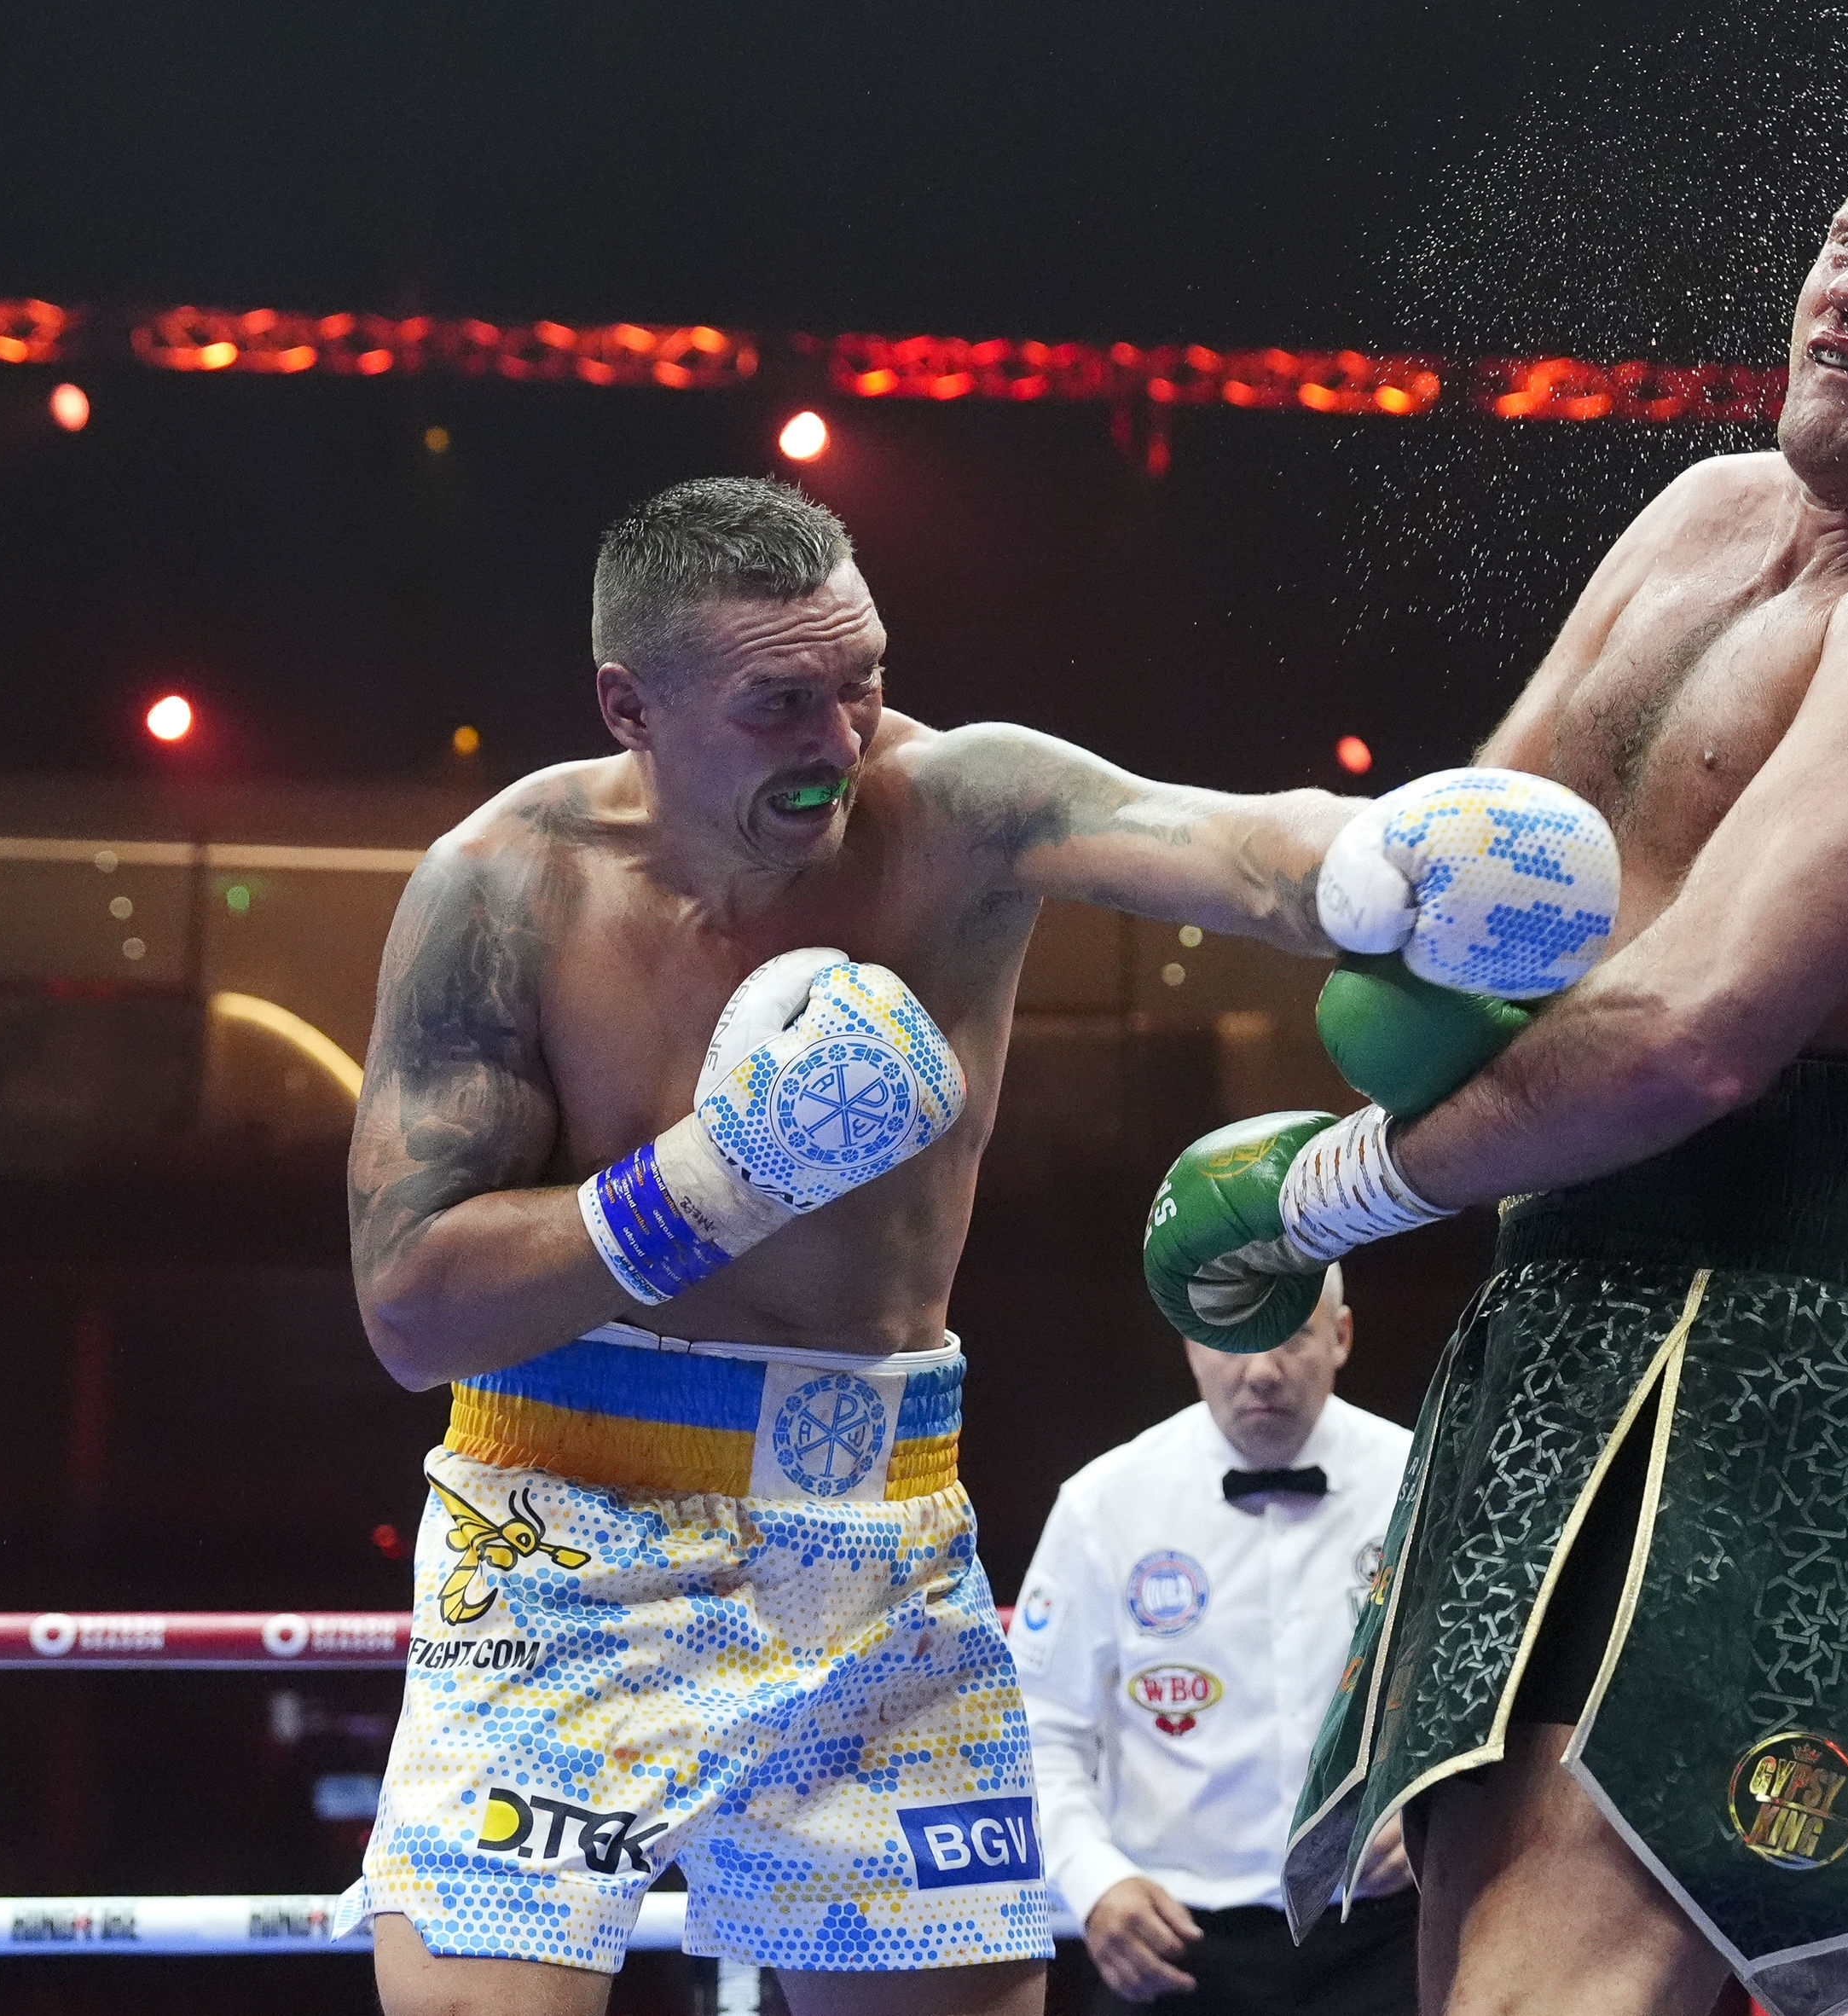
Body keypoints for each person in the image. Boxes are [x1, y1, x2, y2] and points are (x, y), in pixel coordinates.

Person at [334, 476, 1607, 2016]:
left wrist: (1386, 866)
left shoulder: (967, 805)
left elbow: (1218, 840)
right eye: (780, 701)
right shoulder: (504, 885)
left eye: (862, 680)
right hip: (561, 1528)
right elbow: (411, 1307)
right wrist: (715, 1180)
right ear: (630, 705)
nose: (840, 740)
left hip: (873, 1530)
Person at [1143, 143, 1848, 2016]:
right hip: (1573, 1281)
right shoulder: (1694, 520)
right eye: (1842, 244)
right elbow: (1456, 887)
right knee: (1476, 1955)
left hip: (1819, 1317)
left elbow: (1693, 1029)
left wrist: (1326, 1193)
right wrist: (1142, 844)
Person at [1013, 1268, 1417, 2016]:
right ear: (1192, 1343)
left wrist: (1434, 1807)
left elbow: (1493, 1696)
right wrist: (1093, 1880)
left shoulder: (1421, 1481)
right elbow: (1037, 1726)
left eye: (1292, 1336)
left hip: (1385, 1930)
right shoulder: (1104, 1504)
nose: (1261, 1372)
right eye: (1234, 1341)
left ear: (1341, 1336)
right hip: (1173, 1939)